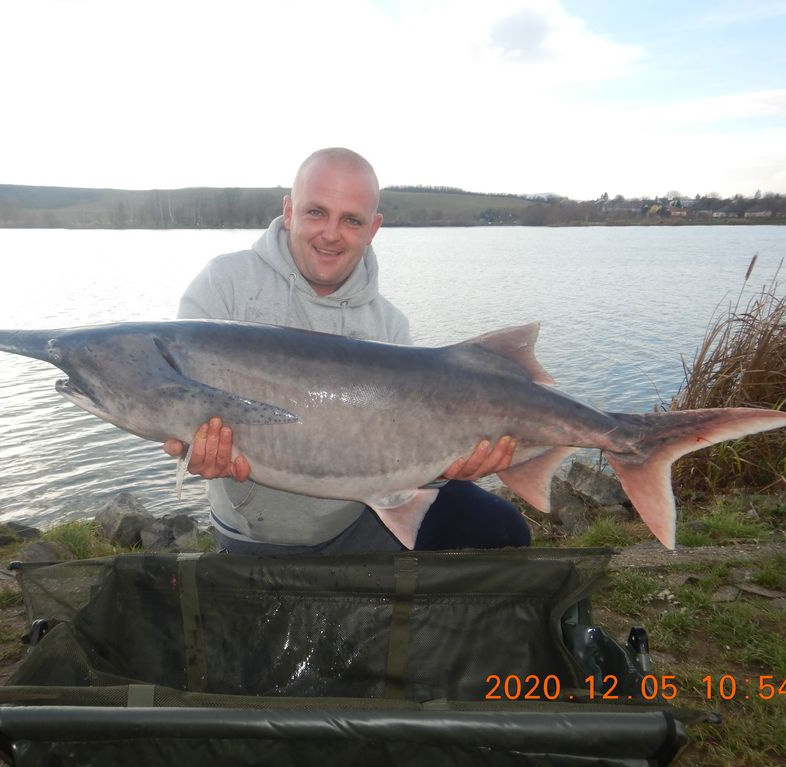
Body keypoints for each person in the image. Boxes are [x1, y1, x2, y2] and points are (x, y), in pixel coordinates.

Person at [163, 148, 531, 554]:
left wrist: (449, 468)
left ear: (373, 228)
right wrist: (192, 449)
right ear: (289, 212)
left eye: (351, 220)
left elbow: (406, 456)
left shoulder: (389, 326)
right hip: (257, 532)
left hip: (360, 516)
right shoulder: (224, 286)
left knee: (503, 529)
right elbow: (177, 406)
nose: (331, 234)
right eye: (316, 212)